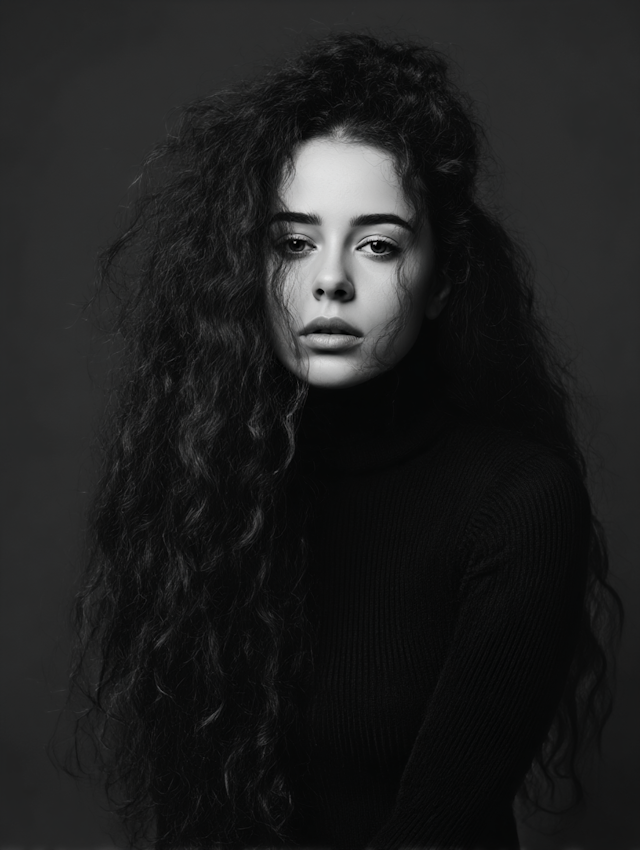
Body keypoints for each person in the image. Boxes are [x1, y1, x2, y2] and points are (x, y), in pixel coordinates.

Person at [59, 31, 624, 850]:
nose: (330, 281)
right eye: (294, 243)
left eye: (377, 245)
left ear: (442, 281)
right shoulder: (214, 489)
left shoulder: (519, 505)